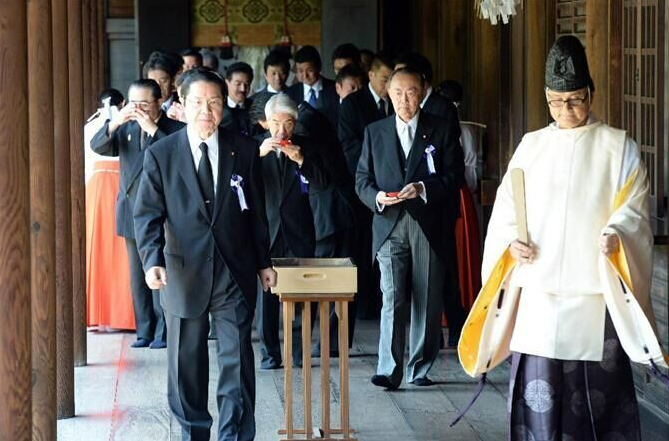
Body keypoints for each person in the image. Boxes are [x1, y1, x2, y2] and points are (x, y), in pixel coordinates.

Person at [458, 35, 668, 440]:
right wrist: (511, 243)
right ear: (546, 98)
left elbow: (633, 209)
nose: (565, 110)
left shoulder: (618, 146)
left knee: (597, 397)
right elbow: (506, 210)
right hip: (538, 292)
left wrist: (617, 236)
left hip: (594, 293)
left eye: (574, 100)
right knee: (539, 394)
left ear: (591, 94)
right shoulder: (531, 146)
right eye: (556, 101)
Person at [133, 69, 276, 441]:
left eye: (214, 102)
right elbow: (147, 213)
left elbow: (257, 212)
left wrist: (264, 262)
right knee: (186, 364)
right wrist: (151, 260)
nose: (206, 111)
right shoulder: (162, 153)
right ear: (181, 103)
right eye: (197, 102)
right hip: (182, 271)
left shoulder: (244, 149)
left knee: (237, 360)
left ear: (224, 105)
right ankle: (194, 432)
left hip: (233, 269)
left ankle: (235, 435)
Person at [356, 67, 464, 389]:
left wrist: (423, 188)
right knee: (392, 295)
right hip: (389, 222)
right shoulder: (375, 131)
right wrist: (377, 197)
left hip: (427, 222)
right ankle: (389, 369)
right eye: (398, 93)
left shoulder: (440, 128)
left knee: (427, 296)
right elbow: (362, 180)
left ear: (423, 93)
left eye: (411, 92)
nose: (405, 100)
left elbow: (454, 175)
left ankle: (419, 367)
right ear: (388, 94)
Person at [91, 79, 184, 348]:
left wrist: (153, 129)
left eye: (144, 104)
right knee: (137, 276)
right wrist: (116, 122)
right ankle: (145, 331)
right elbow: (98, 146)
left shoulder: (174, 129)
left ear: (159, 102)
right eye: (133, 104)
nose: (138, 109)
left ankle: (163, 332)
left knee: (160, 271)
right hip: (131, 210)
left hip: (163, 213)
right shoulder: (126, 127)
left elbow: (179, 159)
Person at [254, 93, 328, 369]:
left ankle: (298, 353)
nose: (281, 130)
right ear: (266, 122)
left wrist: (301, 160)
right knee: (266, 298)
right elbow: (237, 183)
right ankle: (270, 354)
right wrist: (257, 156)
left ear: (295, 124)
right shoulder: (253, 147)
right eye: (275, 123)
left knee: (300, 294)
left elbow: (323, 184)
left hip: (299, 230)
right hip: (266, 230)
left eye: (287, 123)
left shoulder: (308, 146)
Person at [338, 52, 394, 319]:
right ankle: (364, 305)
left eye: (392, 79)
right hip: (363, 186)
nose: (388, 85)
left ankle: (386, 301)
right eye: (384, 79)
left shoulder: (396, 103)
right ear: (370, 75)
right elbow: (348, 146)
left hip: (394, 189)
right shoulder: (353, 103)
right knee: (363, 246)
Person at [85, 89, 135, 332]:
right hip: (120, 182)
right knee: (123, 251)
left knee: (99, 248)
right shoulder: (126, 121)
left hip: (96, 185)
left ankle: (98, 313)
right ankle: (122, 315)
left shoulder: (90, 124)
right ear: (123, 102)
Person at [286, 45, 339, 129]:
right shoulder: (291, 93)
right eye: (300, 71)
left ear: (319, 67)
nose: (305, 75)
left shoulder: (335, 88)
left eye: (310, 70)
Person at [222, 61, 254, 135]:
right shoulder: (219, 108)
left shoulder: (255, 107)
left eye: (247, 84)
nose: (243, 89)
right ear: (227, 83)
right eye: (238, 84)